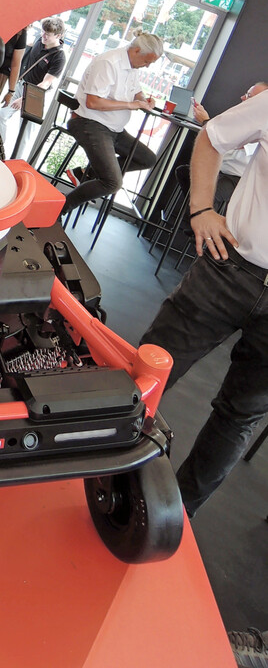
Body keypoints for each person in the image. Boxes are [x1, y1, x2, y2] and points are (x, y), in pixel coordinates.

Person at [140, 81, 268, 517]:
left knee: (239, 417)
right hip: (230, 267)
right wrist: (201, 209)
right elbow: (212, 137)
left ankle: (177, 514)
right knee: (149, 372)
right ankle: (93, 466)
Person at [61, 32, 164, 214]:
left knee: (147, 159)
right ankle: (58, 210)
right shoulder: (108, 62)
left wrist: (144, 99)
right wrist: (131, 105)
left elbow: (136, 91)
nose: (147, 66)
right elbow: (93, 102)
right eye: (147, 61)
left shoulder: (133, 66)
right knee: (112, 183)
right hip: (89, 123)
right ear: (136, 50)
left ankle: (85, 173)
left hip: (114, 129)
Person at [0, 17, 67, 151]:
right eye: (43, 32)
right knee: (1, 115)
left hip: (36, 94)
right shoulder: (40, 40)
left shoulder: (59, 57)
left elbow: (46, 83)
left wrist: (25, 98)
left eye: (48, 34)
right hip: (21, 84)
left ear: (58, 36)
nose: (43, 36)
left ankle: (17, 158)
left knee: (24, 133)